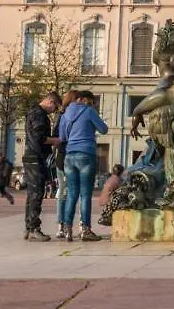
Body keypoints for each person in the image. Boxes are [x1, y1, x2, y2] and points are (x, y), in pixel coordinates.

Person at [58, 90, 109, 242]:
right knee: (85, 194)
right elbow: (104, 129)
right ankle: (85, 230)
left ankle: (67, 229)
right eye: (88, 100)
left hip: (69, 155)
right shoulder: (88, 111)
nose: (90, 103)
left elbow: (62, 137)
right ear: (81, 99)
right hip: (86, 154)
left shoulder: (65, 114)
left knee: (72, 194)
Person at [23, 91, 61, 242]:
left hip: (31, 156)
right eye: (54, 109)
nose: (53, 112)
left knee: (32, 193)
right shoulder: (39, 115)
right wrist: (55, 140)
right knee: (37, 193)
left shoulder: (33, 112)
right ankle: (34, 228)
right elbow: (40, 138)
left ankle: (29, 227)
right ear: (50, 102)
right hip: (36, 156)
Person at [52, 90, 78, 239]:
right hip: (68, 155)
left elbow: (56, 136)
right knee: (69, 192)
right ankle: (65, 225)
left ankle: (62, 226)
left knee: (63, 192)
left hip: (63, 156)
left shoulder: (61, 116)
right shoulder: (70, 115)